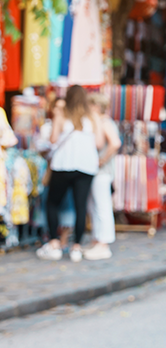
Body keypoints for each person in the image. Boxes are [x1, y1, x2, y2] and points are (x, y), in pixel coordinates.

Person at [36, 85, 104, 262]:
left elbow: (52, 139)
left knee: (53, 202)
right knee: (80, 205)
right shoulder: (92, 116)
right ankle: (76, 247)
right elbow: (99, 143)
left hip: (63, 164)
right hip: (86, 166)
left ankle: (54, 243)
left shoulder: (62, 114)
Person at [83, 93, 121, 260]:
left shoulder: (104, 122)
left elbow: (115, 143)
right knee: (95, 206)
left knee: (101, 206)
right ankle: (98, 240)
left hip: (102, 172)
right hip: (99, 171)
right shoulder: (101, 122)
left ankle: (103, 243)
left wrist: (102, 160)